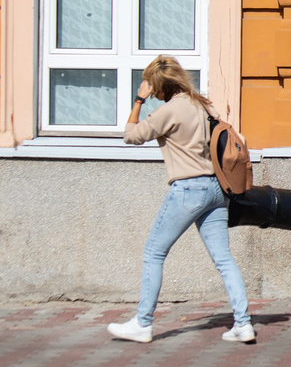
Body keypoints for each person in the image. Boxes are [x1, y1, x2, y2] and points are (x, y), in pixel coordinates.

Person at [107, 56, 254, 344]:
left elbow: (130, 136)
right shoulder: (202, 103)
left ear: (157, 86)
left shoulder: (167, 111)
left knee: (153, 253)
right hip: (216, 189)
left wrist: (139, 101)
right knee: (223, 259)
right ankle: (243, 323)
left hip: (188, 190)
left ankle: (142, 323)